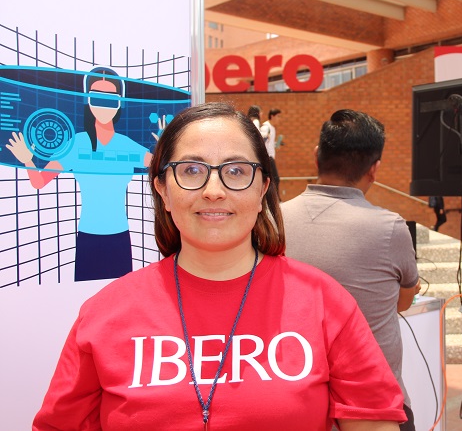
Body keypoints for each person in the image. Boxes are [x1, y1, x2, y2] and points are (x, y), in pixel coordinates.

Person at [33, 103, 407, 431]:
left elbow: (373, 421)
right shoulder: (105, 313)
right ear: (162, 189)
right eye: (192, 170)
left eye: (237, 171)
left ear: (263, 189)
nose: (214, 190)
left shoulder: (324, 302)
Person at [281, 109, 421, 431]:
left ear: (317, 156)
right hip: (375, 405)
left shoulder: (274, 219)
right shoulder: (389, 227)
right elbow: (403, 302)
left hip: (298, 401)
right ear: (374, 169)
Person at [6, 66, 162, 282]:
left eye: (111, 99)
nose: (104, 106)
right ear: (88, 100)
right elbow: (39, 181)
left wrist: (165, 145)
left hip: (119, 237)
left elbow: (162, 169)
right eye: (97, 97)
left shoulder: (127, 145)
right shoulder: (76, 144)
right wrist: (27, 159)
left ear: (120, 103)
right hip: (89, 237)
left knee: (122, 295)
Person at [260, 108, 281, 197]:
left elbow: (269, 142)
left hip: (271, 157)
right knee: (275, 179)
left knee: (272, 180)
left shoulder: (273, 128)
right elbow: (261, 140)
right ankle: (276, 199)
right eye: (278, 116)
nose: (279, 119)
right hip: (268, 157)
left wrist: (276, 144)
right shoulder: (266, 127)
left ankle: (274, 198)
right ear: (272, 116)